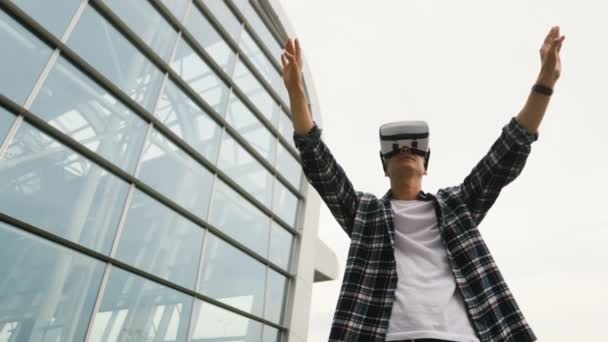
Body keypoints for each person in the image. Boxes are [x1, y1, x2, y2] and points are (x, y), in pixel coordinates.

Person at [280, 25, 565, 342]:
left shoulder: (458, 206)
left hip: (462, 336)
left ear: (426, 167)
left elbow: (508, 152)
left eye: (415, 148)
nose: (405, 151)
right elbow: (319, 162)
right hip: (383, 335)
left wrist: (547, 81)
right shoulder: (366, 213)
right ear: (385, 168)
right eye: (395, 149)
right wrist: (296, 92)